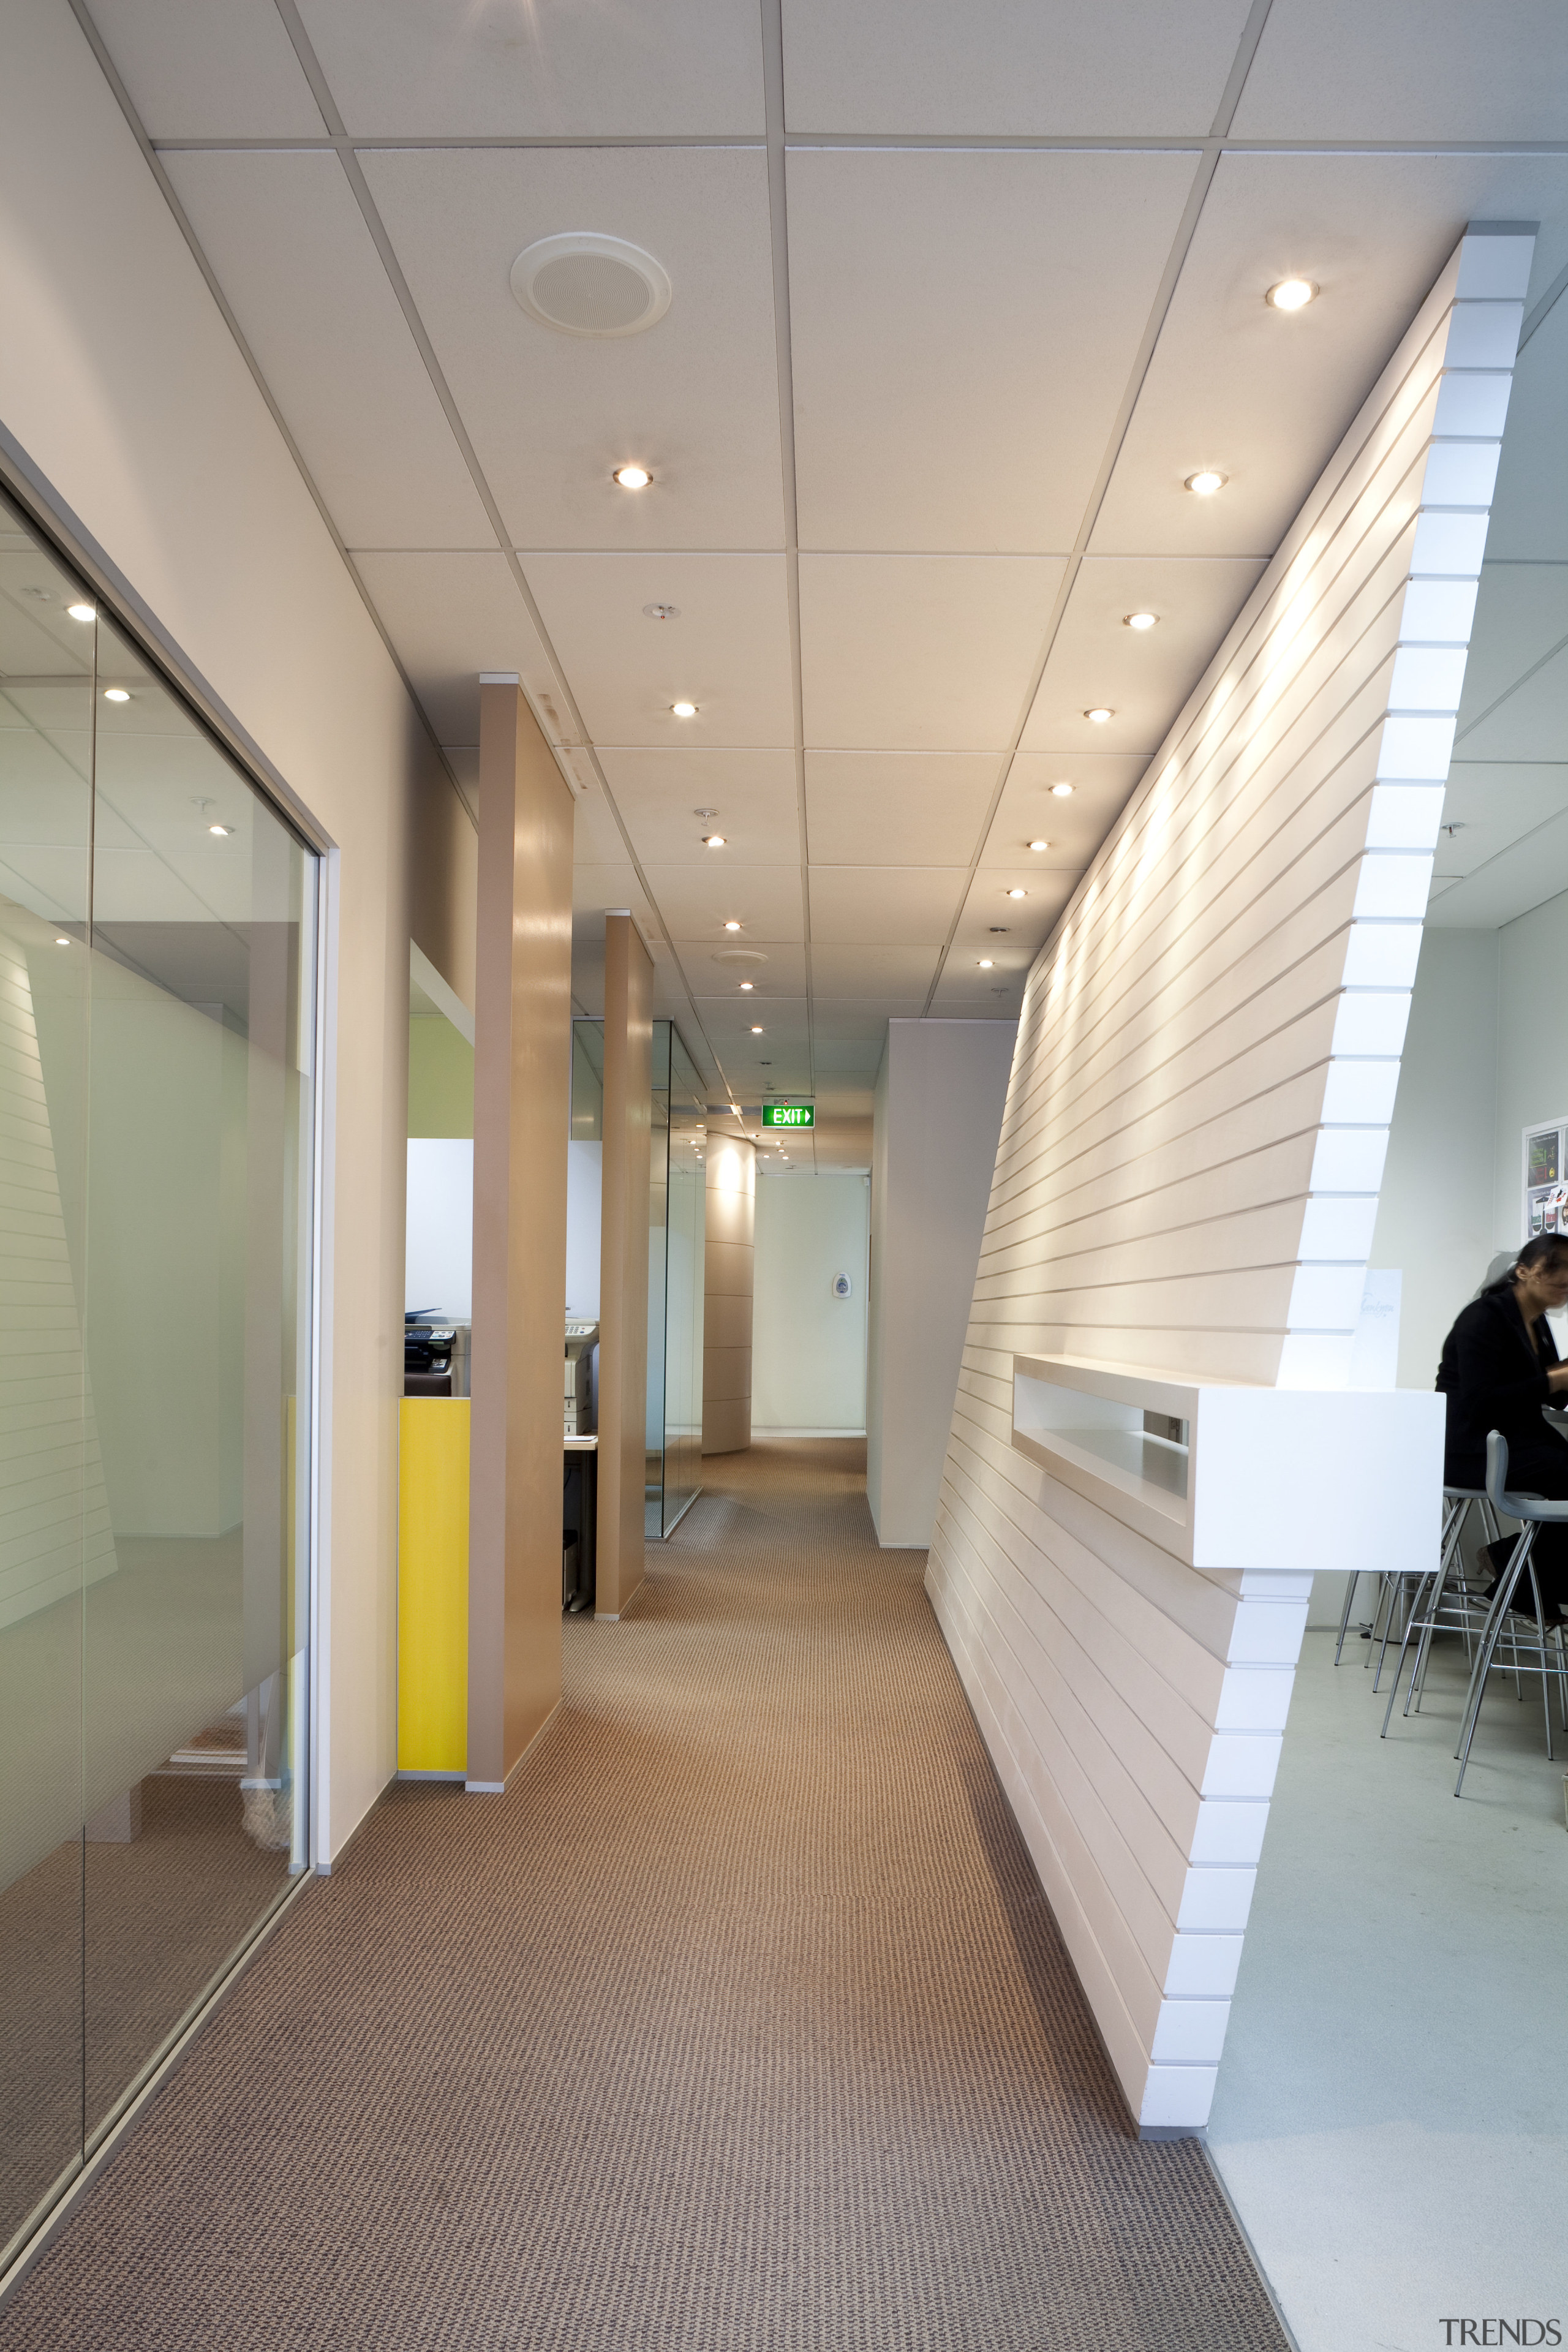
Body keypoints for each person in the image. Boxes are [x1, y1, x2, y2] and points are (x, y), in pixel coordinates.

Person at [1436, 1234, 1568, 1626]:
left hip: (1519, 1445)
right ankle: (1517, 1571)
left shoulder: (1537, 1322)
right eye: (1557, 1279)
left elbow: (1553, 1393)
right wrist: (1554, 1380)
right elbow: (1482, 1401)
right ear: (1524, 1271)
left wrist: (1558, 1380)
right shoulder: (1484, 1317)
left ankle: (1514, 1573)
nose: (1564, 1289)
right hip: (1473, 1451)